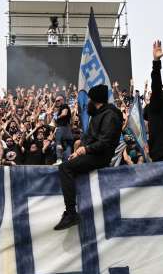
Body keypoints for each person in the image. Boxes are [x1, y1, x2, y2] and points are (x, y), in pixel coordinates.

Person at [55, 84, 123, 230]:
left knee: (65, 168)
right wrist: (78, 151)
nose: (88, 103)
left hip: (100, 156)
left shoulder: (110, 115)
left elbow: (105, 142)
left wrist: (86, 150)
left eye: (90, 100)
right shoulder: (98, 115)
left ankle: (71, 213)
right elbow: (88, 138)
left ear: (96, 100)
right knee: (68, 162)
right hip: (92, 153)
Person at [53, 94, 73, 164]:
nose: (56, 102)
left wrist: (57, 117)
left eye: (58, 100)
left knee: (58, 143)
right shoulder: (61, 108)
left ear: (62, 100)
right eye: (55, 101)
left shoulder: (64, 105)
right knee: (67, 145)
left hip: (62, 128)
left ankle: (59, 159)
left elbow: (64, 113)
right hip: (67, 129)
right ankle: (68, 160)